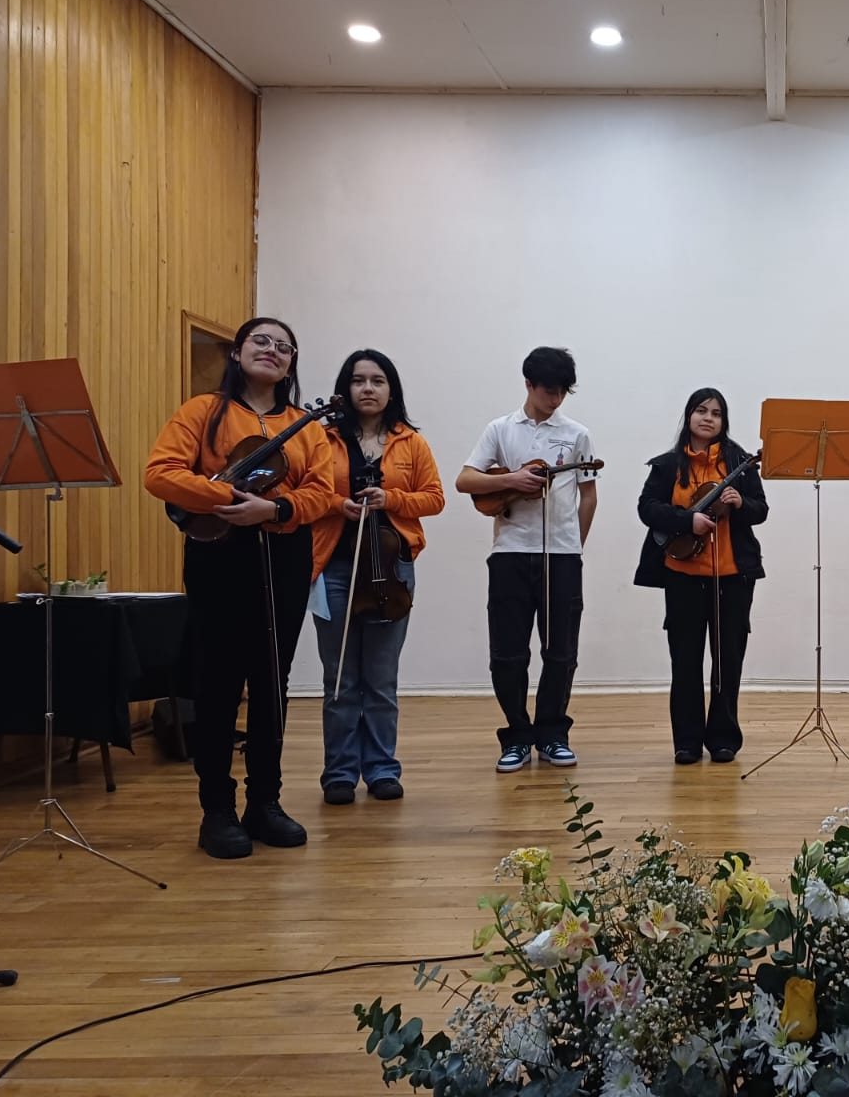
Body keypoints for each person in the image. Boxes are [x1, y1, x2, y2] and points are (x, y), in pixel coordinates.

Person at [144, 317, 335, 859]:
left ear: (291, 364)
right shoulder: (202, 411)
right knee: (218, 681)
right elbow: (161, 474)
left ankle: (265, 802)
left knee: (273, 681)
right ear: (236, 352)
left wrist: (274, 509)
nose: (272, 351)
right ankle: (217, 809)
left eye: (284, 347)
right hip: (219, 553)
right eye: (261, 341)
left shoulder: (305, 425)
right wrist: (226, 498)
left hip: (285, 554)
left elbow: (322, 492)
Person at [309, 349, 444, 806]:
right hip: (334, 567)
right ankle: (339, 774)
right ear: (345, 388)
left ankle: (383, 769)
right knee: (340, 678)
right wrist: (337, 505)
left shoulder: (412, 442)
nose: (367, 388)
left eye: (378, 380)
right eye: (358, 380)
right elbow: (304, 493)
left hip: (391, 568)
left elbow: (434, 498)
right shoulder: (321, 438)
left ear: (391, 389)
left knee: (382, 679)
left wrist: (392, 499)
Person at [455, 347, 598, 772]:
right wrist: (515, 479)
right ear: (529, 384)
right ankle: (516, 735)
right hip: (510, 553)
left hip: (562, 556)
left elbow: (588, 495)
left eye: (562, 392)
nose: (555, 399)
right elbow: (465, 479)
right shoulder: (500, 429)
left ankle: (552, 734)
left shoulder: (577, 434)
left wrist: (575, 546)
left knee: (561, 652)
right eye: (548, 390)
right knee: (508, 653)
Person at [634, 388, 767, 764]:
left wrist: (740, 504)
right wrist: (686, 520)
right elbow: (647, 508)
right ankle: (687, 742)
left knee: (728, 661)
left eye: (716, 413)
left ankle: (724, 738)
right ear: (689, 416)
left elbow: (760, 510)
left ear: (724, 421)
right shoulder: (667, 465)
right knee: (686, 661)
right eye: (701, 410)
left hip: (732, 577)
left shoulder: (740, 463)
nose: (708, 418)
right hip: (683, 576)